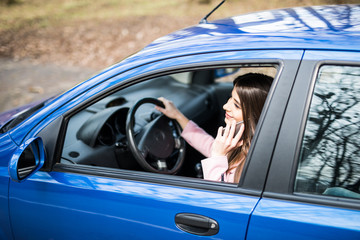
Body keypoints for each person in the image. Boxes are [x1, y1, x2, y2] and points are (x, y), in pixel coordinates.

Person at [156, 73, 273, 183]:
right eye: (230, 98)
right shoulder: (241, 143)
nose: (225, 106)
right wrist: (177, 115)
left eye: (236, 105)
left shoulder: (252, 165)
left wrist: (218, 155)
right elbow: (207, 144)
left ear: (255, 116)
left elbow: (220, 198)